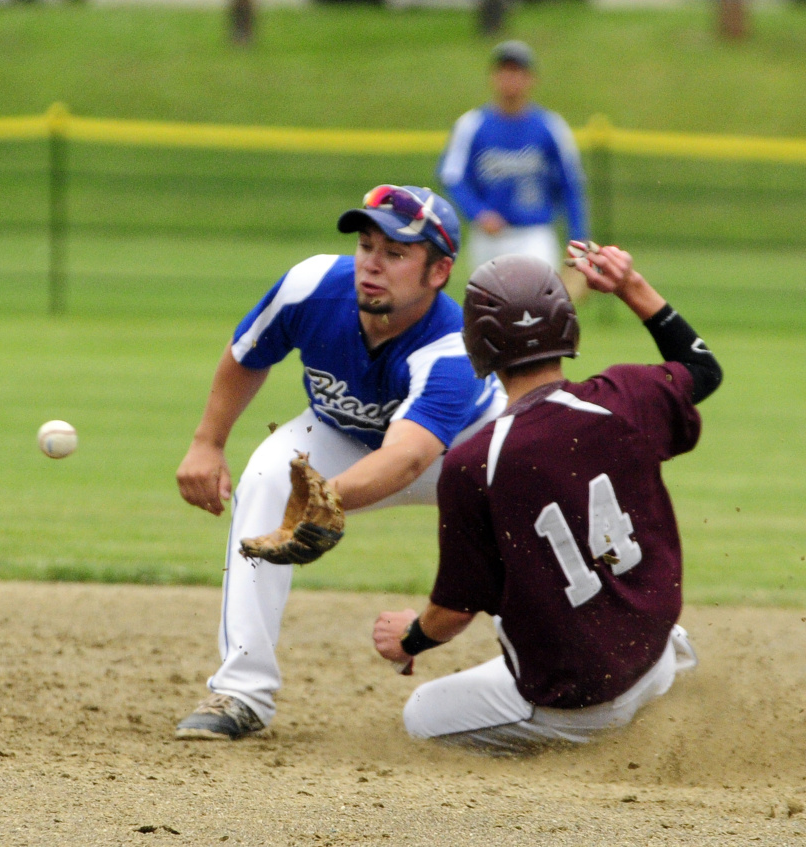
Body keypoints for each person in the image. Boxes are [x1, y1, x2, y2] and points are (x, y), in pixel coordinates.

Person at [174, 185, 506, 741]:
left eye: (396, 254)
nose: (372, 265)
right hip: (343, 433)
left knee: (523, 544)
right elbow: (245, 355)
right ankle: (242, 692)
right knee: (265, 481)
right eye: (366, 245)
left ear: (439, 272)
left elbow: (405, 459)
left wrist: (321, 502)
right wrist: (208, 442)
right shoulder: (311, 286)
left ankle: (568, 676)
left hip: (465, 458)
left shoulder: (453, 348)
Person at [372, 244, 723, 754]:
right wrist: (630, 286)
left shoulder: (475, 462)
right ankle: (659, 678)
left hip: (578, 704)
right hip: (656, 658)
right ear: (567, 327)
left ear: (479, 345)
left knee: (422, 714)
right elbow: (702, 369)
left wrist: (409, 639)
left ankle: (588, 740)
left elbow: (453, 612)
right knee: (604, 600)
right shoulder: (627, 396)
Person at [437, 41, 589, 289]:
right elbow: (451, 177)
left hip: (534, 234)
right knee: (488, 310)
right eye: (505, 71)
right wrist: (478, 212)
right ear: (493, 77)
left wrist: (578, 243)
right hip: (488, 237)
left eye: (518, 72)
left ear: (531, 79)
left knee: (535, 307)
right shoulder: (472, 125)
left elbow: (570, 185)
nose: (511, 79)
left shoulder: (550, 126)